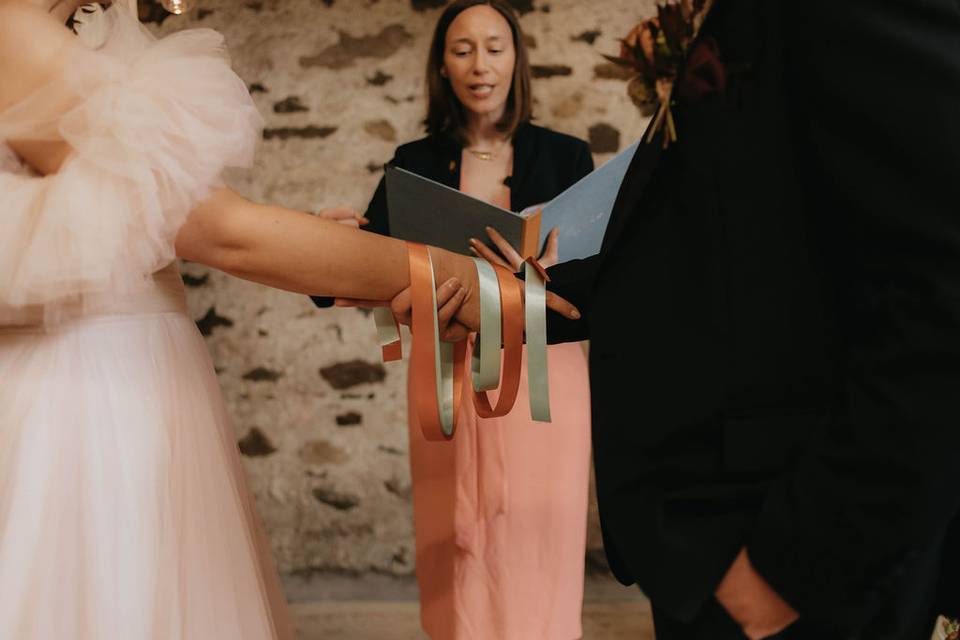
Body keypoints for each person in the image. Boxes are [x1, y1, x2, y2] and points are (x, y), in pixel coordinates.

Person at [0, 2, 578, 638]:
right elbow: (225, 232)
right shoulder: (15, 35)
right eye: (464, 48)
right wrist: (458, 278)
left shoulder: (64, 40)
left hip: (142, 391)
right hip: (85, 405)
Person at [386, 0, 960, 638]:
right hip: (706, 538)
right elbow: (698, 248)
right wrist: (504, 298)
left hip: (786, 543)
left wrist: (788, 566)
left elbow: (940, 294)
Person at [317, 2, 593, 637]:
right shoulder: (412, 161)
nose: (481, 65)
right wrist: (332, 243)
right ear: (442, 65)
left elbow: (596, 279)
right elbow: (365, 264)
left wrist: (554, 270)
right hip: (448, 374)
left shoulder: (566, 155)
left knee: (534, 534)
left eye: (495, 47)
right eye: (463, 49)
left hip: (543, 380)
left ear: (516, 58)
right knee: (454, 530)